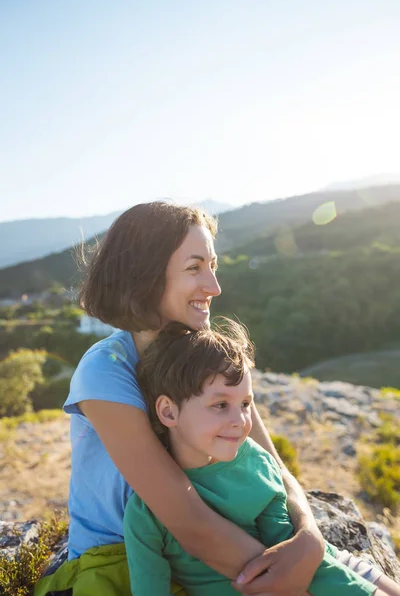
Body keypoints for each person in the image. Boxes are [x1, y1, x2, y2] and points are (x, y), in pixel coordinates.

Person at [35, 201, 329, 596]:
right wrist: (304, 581)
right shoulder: (105, 371)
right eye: (194, 268)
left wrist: (309, 534)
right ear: (146, 278)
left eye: (213, 265)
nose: (214, 286)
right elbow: (187, 520)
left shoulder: (204, 359)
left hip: (219, 548)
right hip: (126, 562)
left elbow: (269, 464)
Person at [124, 320, 400, 596]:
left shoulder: (254, 464)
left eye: (245, 404)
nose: (241, 421)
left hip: (316, 572)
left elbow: (299, 562)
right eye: (221, 405)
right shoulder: (146, 511)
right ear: (169, 412)